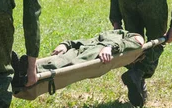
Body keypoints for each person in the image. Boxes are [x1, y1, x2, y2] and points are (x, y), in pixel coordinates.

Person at [12, 29, 145, 91]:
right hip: (79, 50)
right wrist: (65, 44)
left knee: (65, 68)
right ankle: (21, 71)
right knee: (56, 62)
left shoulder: (127, 37)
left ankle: (24, 76)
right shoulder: (106, 34)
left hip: (93, 55)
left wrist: (110, 47)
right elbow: (83, 41)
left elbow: (139, 42)